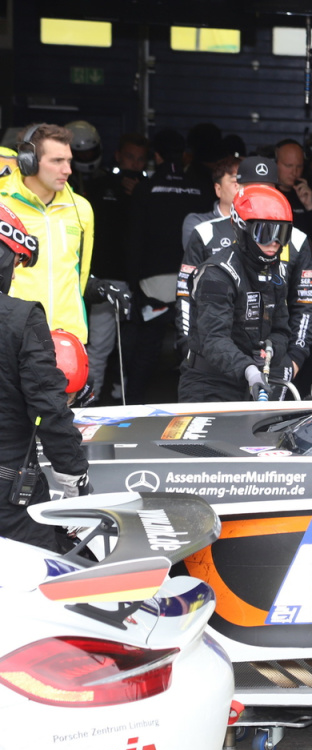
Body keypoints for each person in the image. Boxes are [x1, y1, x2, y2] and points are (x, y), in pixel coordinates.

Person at [175, 156, 312, 391]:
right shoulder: (205, 235)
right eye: (251, 188)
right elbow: (187, 301)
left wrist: (292, 358)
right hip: (213, 372)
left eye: (268, 188)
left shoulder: (292, 245)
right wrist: (188, 346)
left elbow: (303, 306)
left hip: (264, 370)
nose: (273, 242)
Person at [0, 204, 90, 551]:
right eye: (16, 263)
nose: (14, 275)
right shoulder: (21, 318)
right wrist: (75, 479)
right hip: (10, 496)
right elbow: (48, 408)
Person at [178, 184, 293, 403]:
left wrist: (271, 350)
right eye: (265, 233)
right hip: (209, 383)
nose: (274, 242)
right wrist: (248, 369)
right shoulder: (217, 274)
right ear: (243, 229)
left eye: (282, 234)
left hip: (256, 381)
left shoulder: (276, 272)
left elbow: (281, 330)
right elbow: (214, 339)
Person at [123, 126, 206, 401]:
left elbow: (134, 240)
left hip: (153, 283)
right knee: (192, 352)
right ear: (183, 155)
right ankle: (194, 407)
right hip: (192, 282)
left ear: (156, 156)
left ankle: (132, 405)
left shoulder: (145, 189)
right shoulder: (201, 188)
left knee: (146, 349)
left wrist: (133, 283)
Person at [0, 124, 97, 346]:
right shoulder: (2, 205)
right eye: (57, 161)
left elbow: (80, 277)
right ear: (28, 162)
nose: (67, 170)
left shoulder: (81, 209)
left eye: (69, 161)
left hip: (68, 338)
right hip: (13, 337)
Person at [83, 133, 149, 399]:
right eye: (130, 157)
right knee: (100, 344)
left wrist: (140, 198)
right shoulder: (99, 186)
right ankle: (91, 399)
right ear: (118, 156)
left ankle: (125, 397)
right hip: (105, 276)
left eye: (140, 159)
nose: (134, 163)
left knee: (132, 347)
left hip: (140, 281)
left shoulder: (149, 190)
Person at [182, 156, 240, 246]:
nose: (242, 186)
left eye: (247, 182)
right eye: (236, 181)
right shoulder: (198, 222)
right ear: (218, 189)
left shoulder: (256, 223)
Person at [65, 120, 104, 194]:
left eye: (91, 152)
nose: (87, 156)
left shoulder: (106, 179)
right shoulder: (62, 180)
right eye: (81, 154)